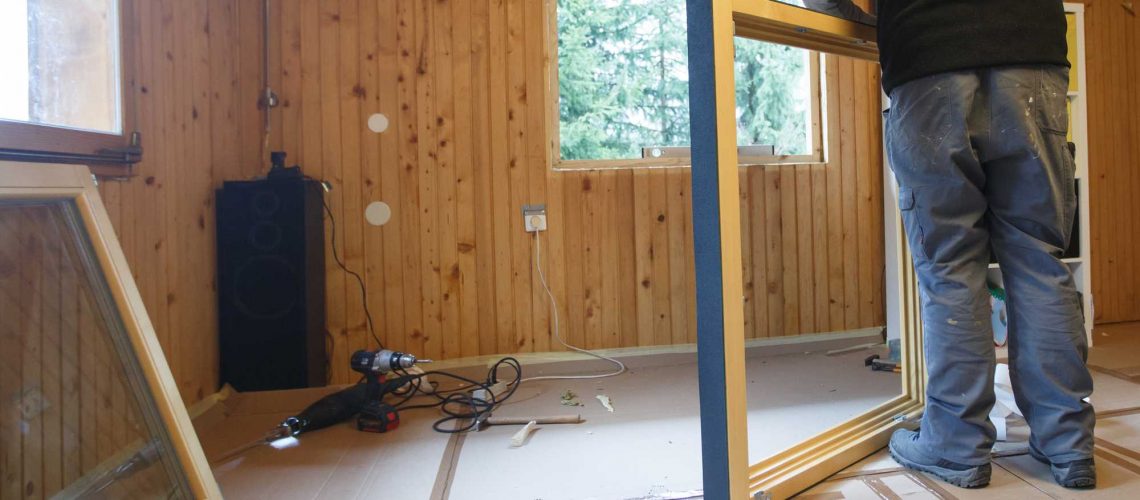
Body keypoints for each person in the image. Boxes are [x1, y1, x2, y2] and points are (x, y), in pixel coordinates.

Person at [803, 0, 1096, 490]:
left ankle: (956, 445)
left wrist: (874, 23)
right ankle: (1067, 442)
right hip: (1031, 55)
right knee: (1037, 256)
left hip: (929, 55)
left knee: (950, 264)